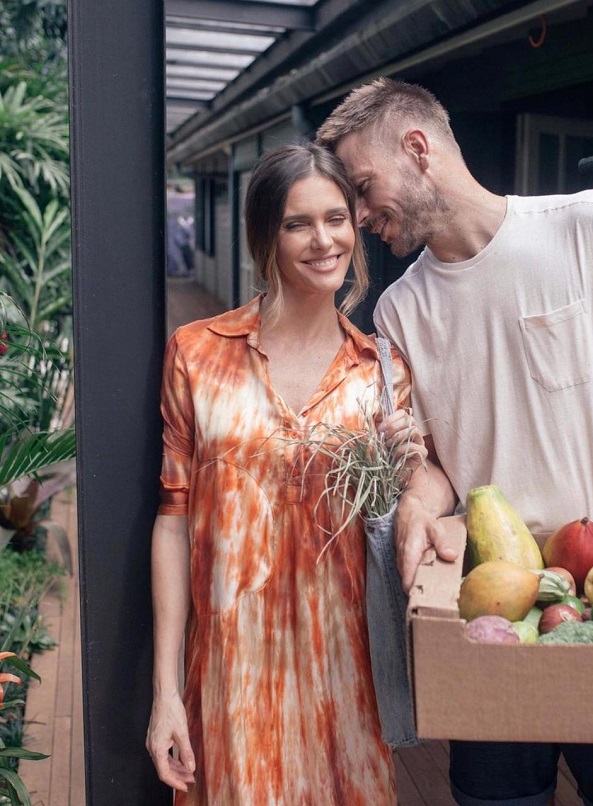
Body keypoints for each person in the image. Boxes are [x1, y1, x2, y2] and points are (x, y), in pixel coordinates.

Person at [317, 78, 593, 806]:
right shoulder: (399, 312)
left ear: (418, 149)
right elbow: (439, 471)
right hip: (496, 617)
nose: (358, 218)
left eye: (363, 188)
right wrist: (419, 506)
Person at [145, 142, 440, 805]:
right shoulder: (198, 354)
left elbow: (398, 515)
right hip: (231, 676)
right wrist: (166, 694)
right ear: (266, 236)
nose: (323, 240)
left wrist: (406, 471)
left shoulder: (380, 374)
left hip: (346, 679)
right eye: (297, 223)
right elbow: (173, 521)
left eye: (336, 218)